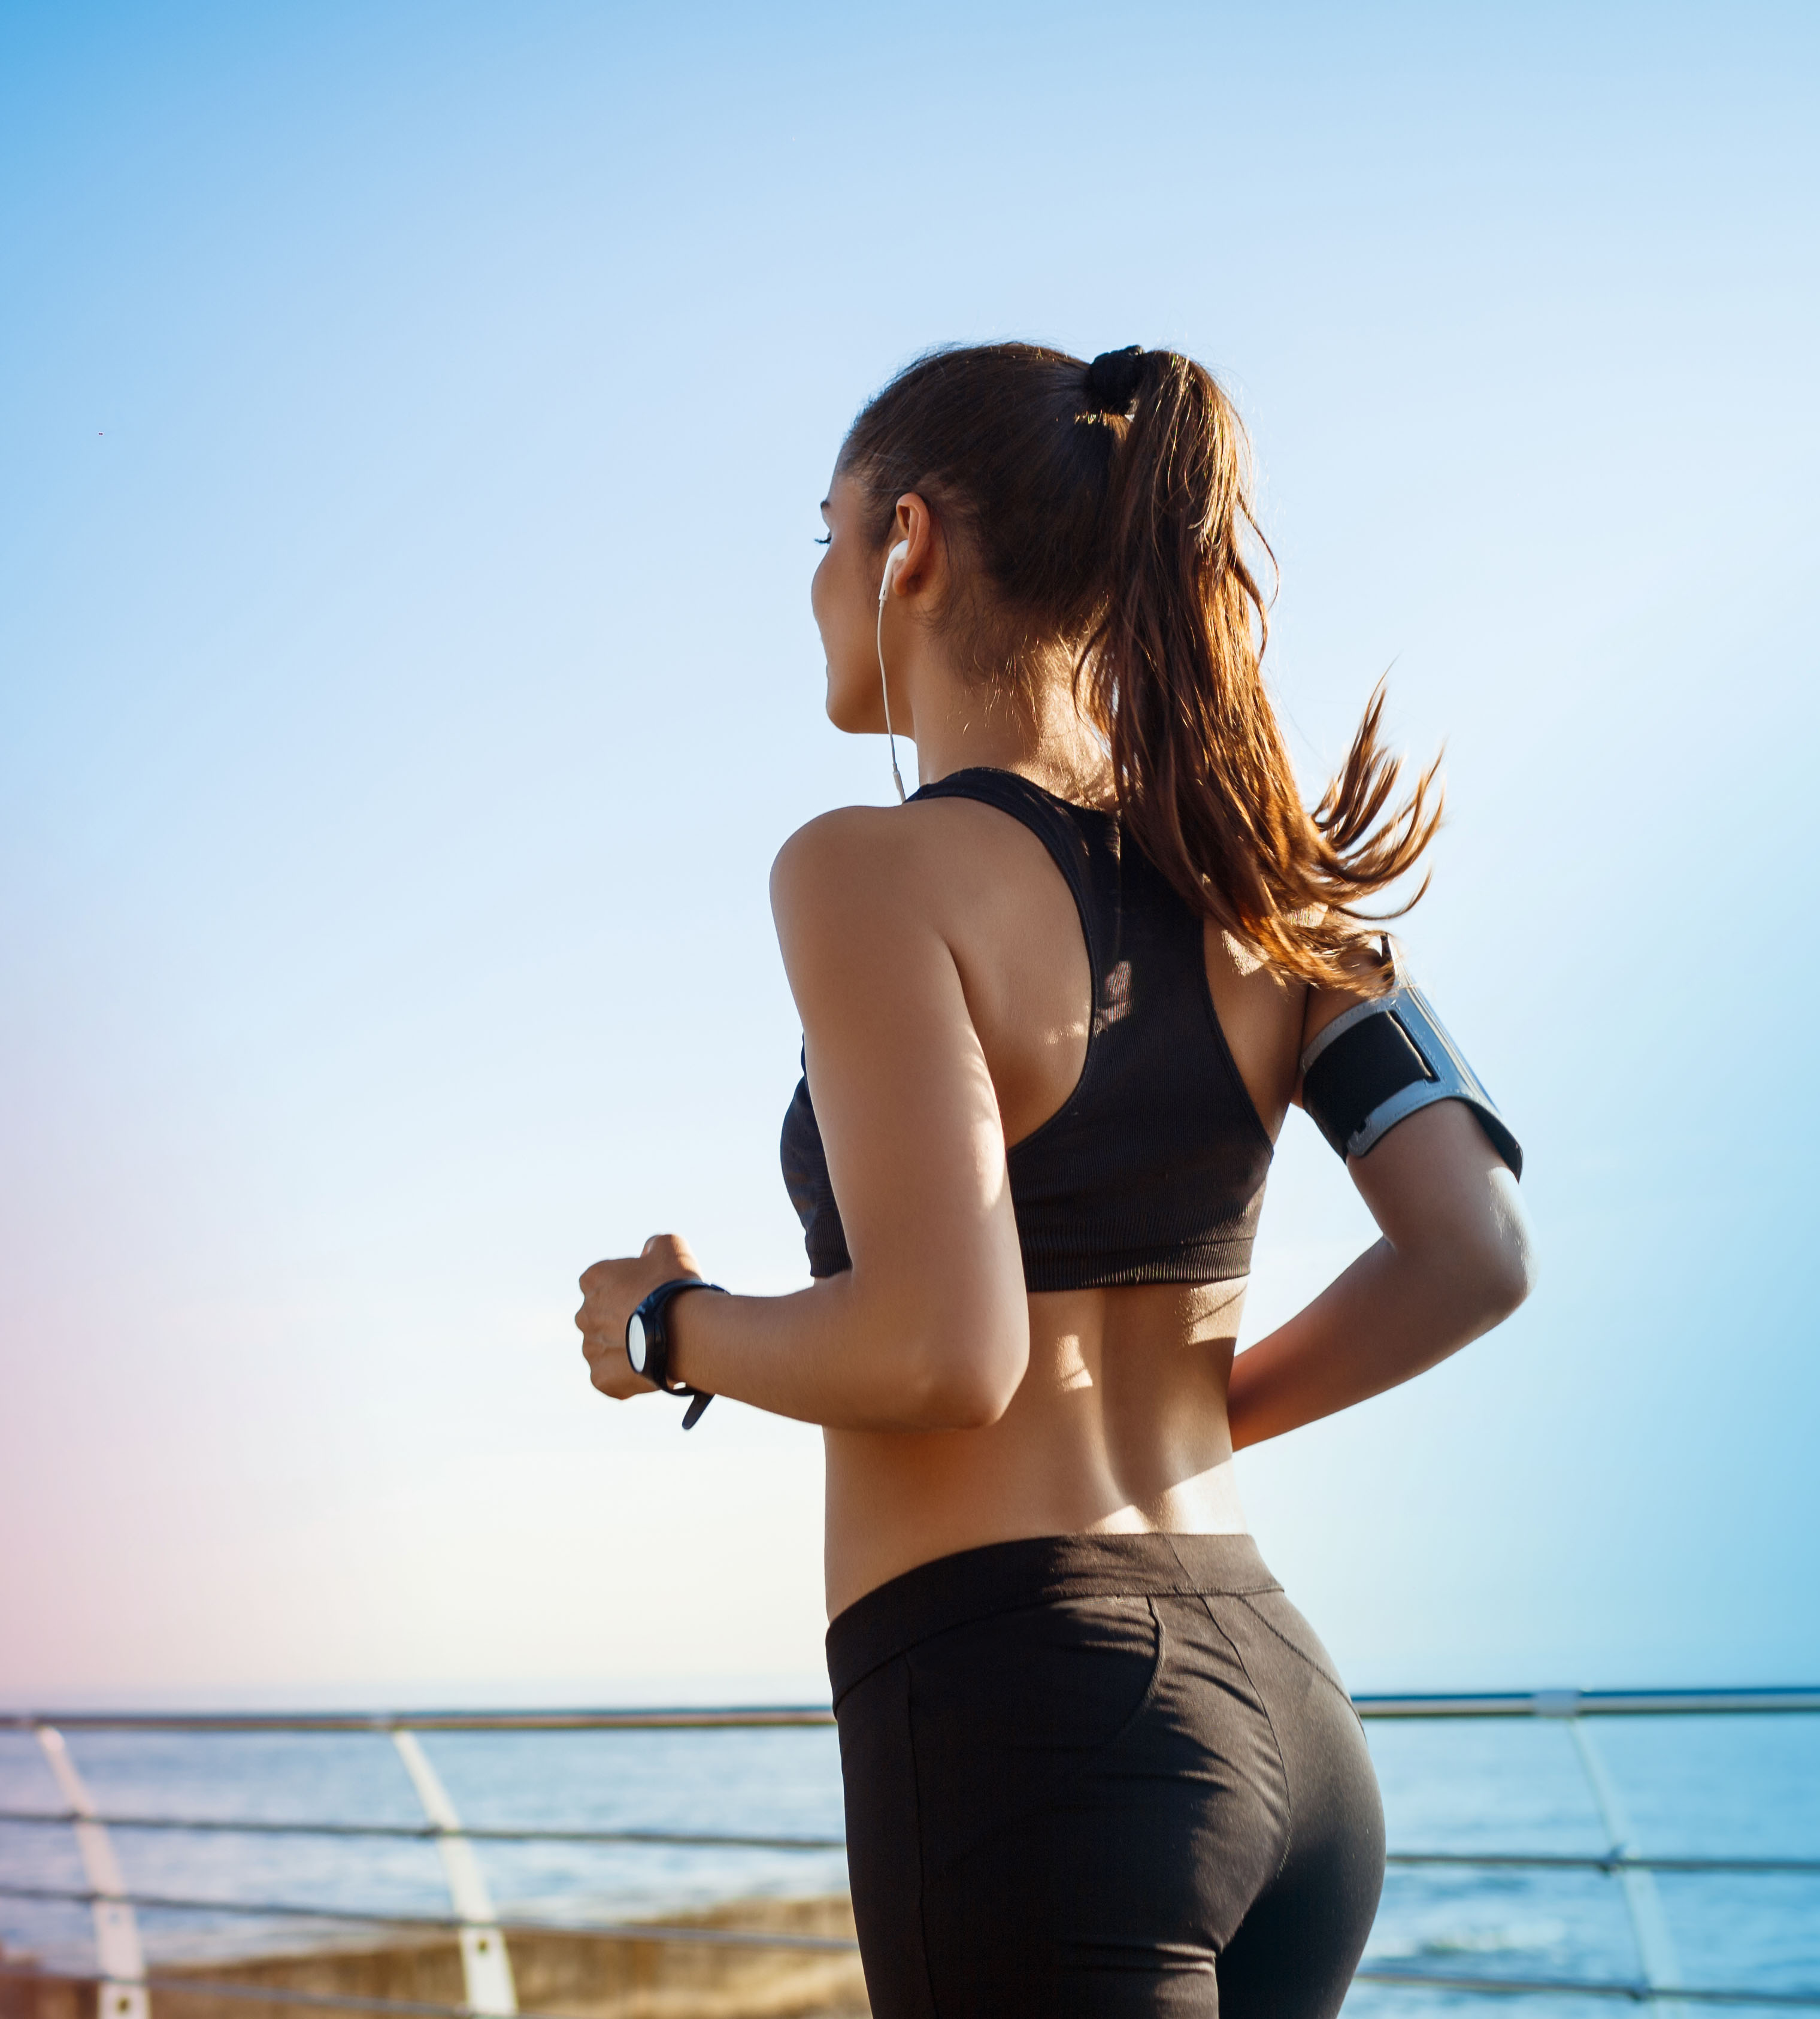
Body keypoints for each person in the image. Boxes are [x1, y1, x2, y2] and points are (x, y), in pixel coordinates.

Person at [575, 341, 1535, 2018]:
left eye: (826, 530)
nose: (814, 582)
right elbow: (1474, 1251)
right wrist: (1194, 1414)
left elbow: (948, 1355)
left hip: (1032, 1724)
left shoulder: (865, 869)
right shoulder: (1268, 871)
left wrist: (669, 1326)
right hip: (1286, 1714)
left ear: (913, 545)